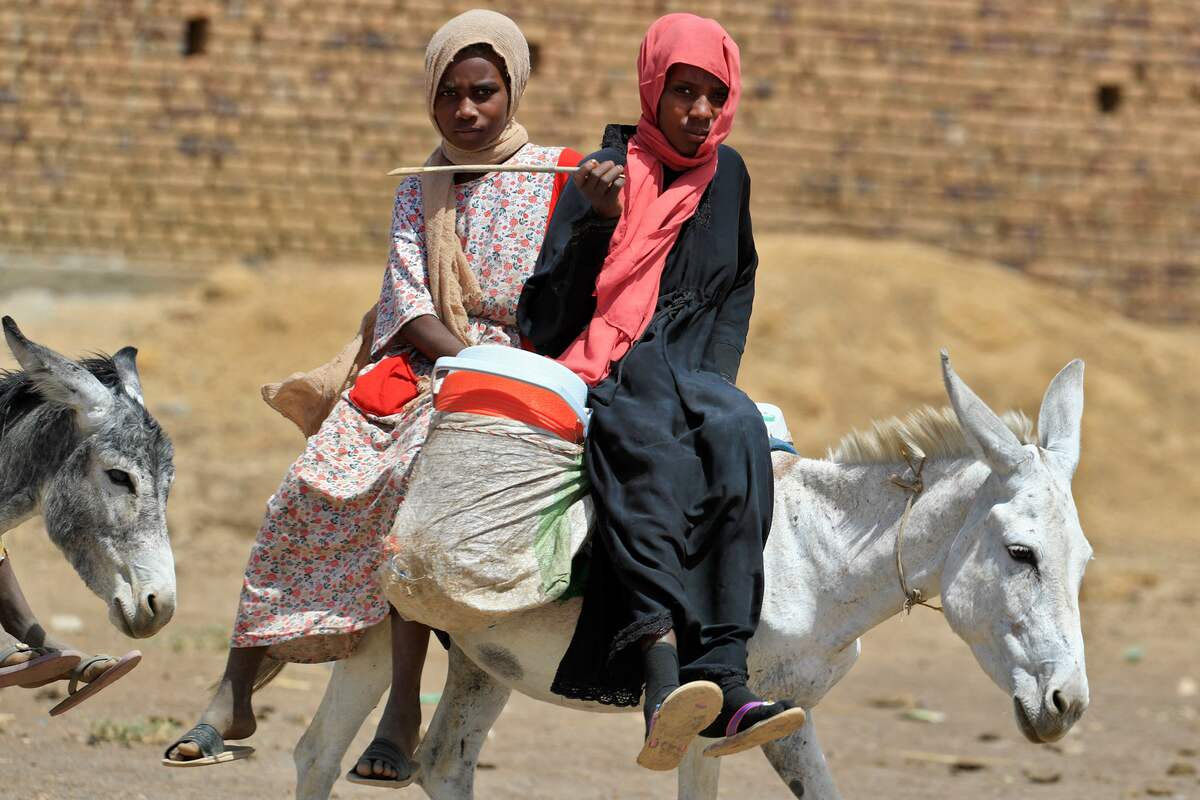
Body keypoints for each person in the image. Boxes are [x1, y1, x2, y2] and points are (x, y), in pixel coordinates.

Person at [162, 10, 580, 785]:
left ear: (513, 88)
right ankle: (235, 689)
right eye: (448, 94)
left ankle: (401, 713)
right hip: (428, 360)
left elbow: (574, 298)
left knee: (415, 485)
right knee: (314, 477)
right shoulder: (419, 187)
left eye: (482, 92)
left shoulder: (562, 178)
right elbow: (409, 303)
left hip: (527, 371)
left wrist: (505, 373)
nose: (465, 110)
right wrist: (463, 365)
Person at [518, 13, 806, 771]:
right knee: (647, 444)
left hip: (695, 368)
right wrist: (597, 224)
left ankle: (728, 673)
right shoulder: (602, 174)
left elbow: (738, 279)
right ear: (654, 88)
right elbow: (542, 316)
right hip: (612, 360)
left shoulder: (730, 173)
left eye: (715, 96)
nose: (700, 112)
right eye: (683, 92)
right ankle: (659, 674)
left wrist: (715, 377)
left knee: (738, 434)